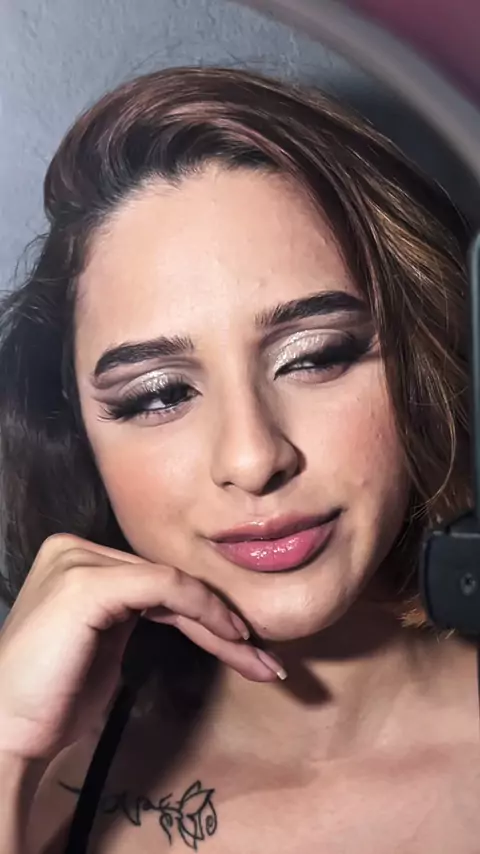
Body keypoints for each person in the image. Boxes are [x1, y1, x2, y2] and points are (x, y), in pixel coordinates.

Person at [0, 65, 478, 854]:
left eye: (315, 356)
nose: (254, 458)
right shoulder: (35, 792)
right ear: (76, 433)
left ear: (424, 359)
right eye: (159, 394)